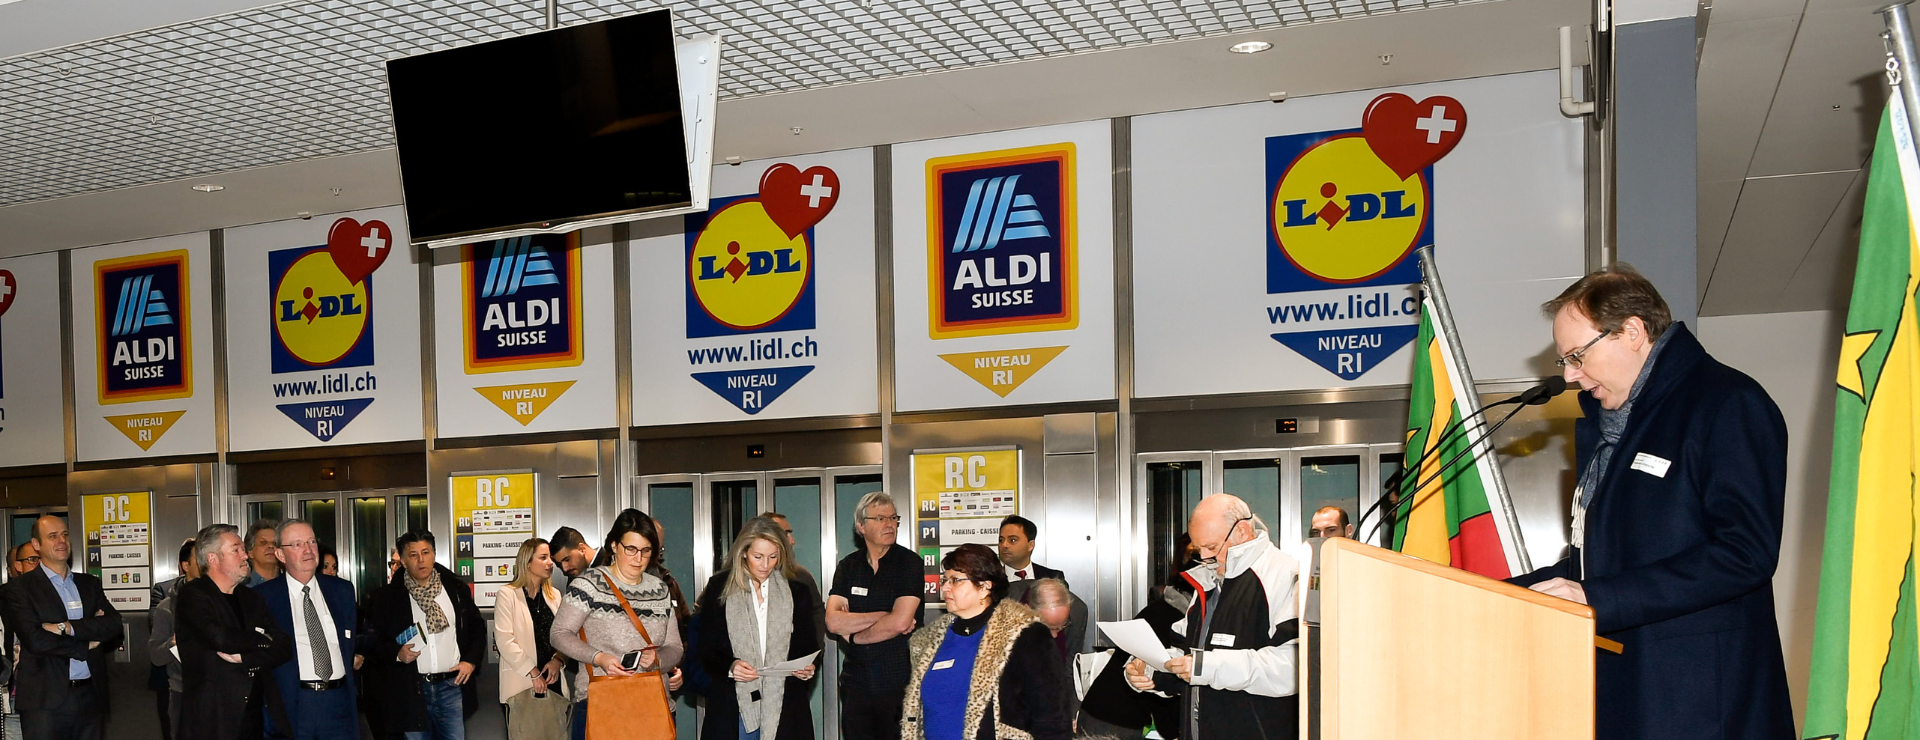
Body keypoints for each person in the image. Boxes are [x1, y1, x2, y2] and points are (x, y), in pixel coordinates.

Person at [1506, 265, 1793, 739]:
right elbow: (1593, 569)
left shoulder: (1727, 402)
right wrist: (1476, 589)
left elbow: (1745, 553)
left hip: (1701, 706)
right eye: (1566, 361)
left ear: (1633, 331)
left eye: (1577, 355)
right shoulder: (1611, 429)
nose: (1573, 376)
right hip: (1627, 694)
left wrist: (1596, 598)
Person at [1125, 494, 1300, 740]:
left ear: (1242, 530)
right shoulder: (1209, 582)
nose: (1205, 557)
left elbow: (1294, 670)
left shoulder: (1286, 576)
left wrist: (1207, 667)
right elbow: (1185, 656)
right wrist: (1149, 671)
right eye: (1199, 549)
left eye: (1213, 547)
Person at [900, 543, 1071, 740]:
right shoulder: (928, 641)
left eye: (955, 580)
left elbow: (1052, 719)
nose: (945, 587)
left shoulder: (1025, 636)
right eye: (945, 580)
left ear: (984, 587)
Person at [551, 518, 684, 740]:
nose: (638, 558)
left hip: (653, 706)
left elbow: (675, 647)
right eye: (631, 549)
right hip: (601, 704)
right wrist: (599, 657)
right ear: (614, 546)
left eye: (646, 550)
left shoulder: (660, 589)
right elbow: (559, 634)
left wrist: (657, 660)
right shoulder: (589, 584)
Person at [696, 518, 820, 740]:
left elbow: (808, 644)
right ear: (743, 553)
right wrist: (731, 665)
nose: (765, 565)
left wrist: (807, 668)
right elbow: (706, 647)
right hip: (733, 704)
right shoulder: (719, 587)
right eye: (758, 557)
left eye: (773, 557)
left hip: (785, 703)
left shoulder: (797, 591)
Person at [2, 515, 120, 740]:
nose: (61, 541)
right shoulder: (20, 588)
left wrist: (67, 627)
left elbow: (113, 624)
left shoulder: (89, 584)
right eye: (53, 536)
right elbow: (35, 639)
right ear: (37, 545)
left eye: (65, 535)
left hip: (90, 696)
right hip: (44, 702)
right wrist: (85, 644)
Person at [176, 523, 295, 740]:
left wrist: (247, 657)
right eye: (236, 550)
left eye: (243, 549)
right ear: (213, 559)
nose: (244, 556)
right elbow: (220, 638)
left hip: (254, 715)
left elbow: (284, 646)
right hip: (213, 719)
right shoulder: (194, 595)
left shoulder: (252, 597)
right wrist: (262, 638)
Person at [366, 531, 487, 740]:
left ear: (434, 554)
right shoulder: (388, 597)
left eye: (425, 552)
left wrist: (470, 661)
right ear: (403, 560)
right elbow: (374, 642)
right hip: (412, 691)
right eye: (413, 555)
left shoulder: (455, 590)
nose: (421, 560)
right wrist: (396, 653)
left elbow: (477, 628)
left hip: (452, 686)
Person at [825, 492, 922, 740]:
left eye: (893, 518)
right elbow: (833, 621)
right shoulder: (848, 566)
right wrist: (885, 615)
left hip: (898, 683)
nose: (889, 524)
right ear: (861, 526)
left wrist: (855, 636)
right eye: (880, 518)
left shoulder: (909, 563)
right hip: (856, 682)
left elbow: (900, 622)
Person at [1077, 539, 1192, 739]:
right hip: (1115, 721)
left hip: (1108, 713)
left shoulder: (1165, 608)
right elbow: (1164, 681)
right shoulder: (1173, 617)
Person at [256, 519, 359, 740]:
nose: (308, 550)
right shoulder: (264, 597)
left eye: (312, 542)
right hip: (295, 704)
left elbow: (349, 641)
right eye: (297, 544)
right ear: (280, 555)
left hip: (339, 701)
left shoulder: (342, 590)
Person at [494, 538, 568, 740]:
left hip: (553, 682)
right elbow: (504, 640)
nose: (550, 563)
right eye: (543, 558)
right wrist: (533, 672)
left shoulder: (555, 595)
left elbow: (566, 637)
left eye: (550, 558)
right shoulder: (507, 594)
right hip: (522, 683)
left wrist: (558, 660)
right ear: (527, 562)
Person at [149, 539, 197, 740]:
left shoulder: (226, 597)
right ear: (185, 566)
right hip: (179, 689)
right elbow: (156, 655)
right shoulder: (167, 605)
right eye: (199, 558)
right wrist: (174, 642)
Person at [762, 513, 827, 649]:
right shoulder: (731, 580)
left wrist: (812, 656)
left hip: (795, 664)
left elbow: (817, 615)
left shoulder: (800, 577)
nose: (792, 541)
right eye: (786, 534)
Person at [997, 516, 1065, 597]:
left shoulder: (1053, 578)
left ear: (1030, 545)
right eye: (1001, 540)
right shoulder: (991, 580)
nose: (1004, 545)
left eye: (1012, 540)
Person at [245, 521, 281, 587]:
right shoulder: (242, 589)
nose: (271, 546)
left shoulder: (290, 585)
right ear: (250, 552)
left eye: (275, 543)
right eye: (263, 542)